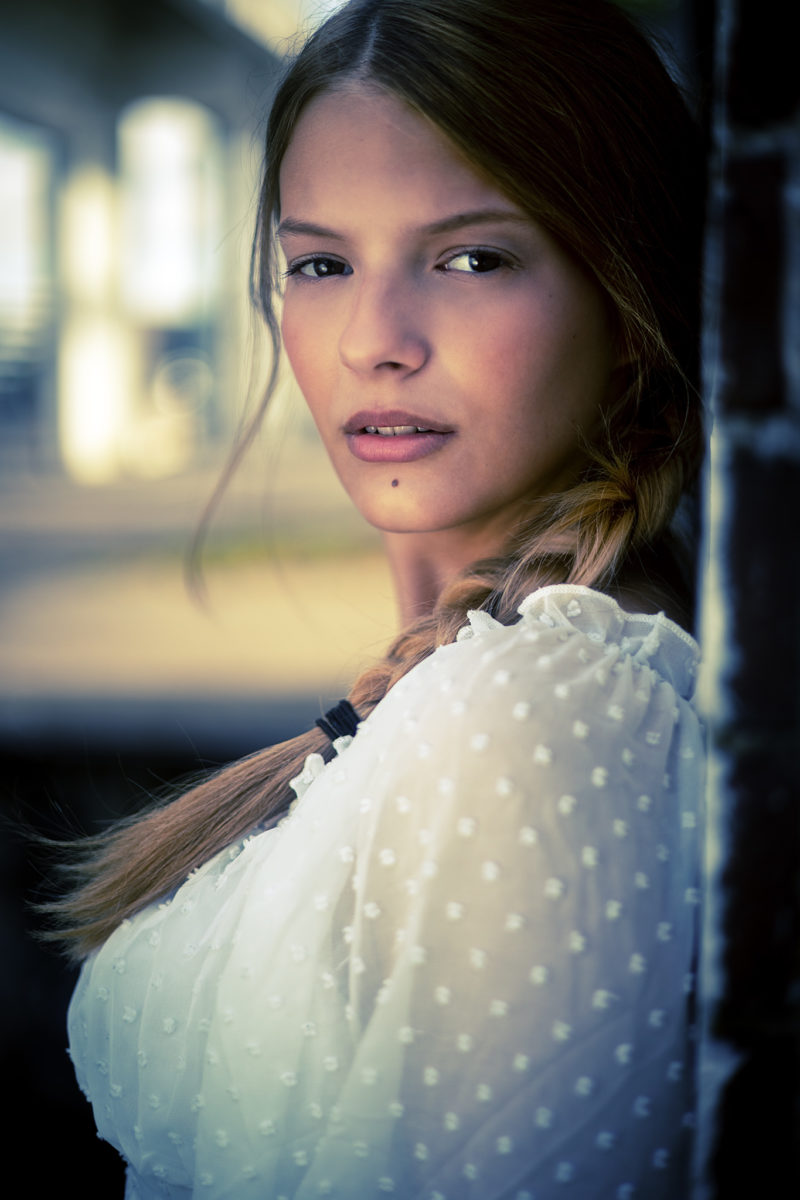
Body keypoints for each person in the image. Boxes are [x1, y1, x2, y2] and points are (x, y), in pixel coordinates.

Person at [57, 1, 706, 1196]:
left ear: (625, 300)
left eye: (470, 258)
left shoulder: (548, 711)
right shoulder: (472, 690)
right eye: (320, 263)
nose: (374, 339)